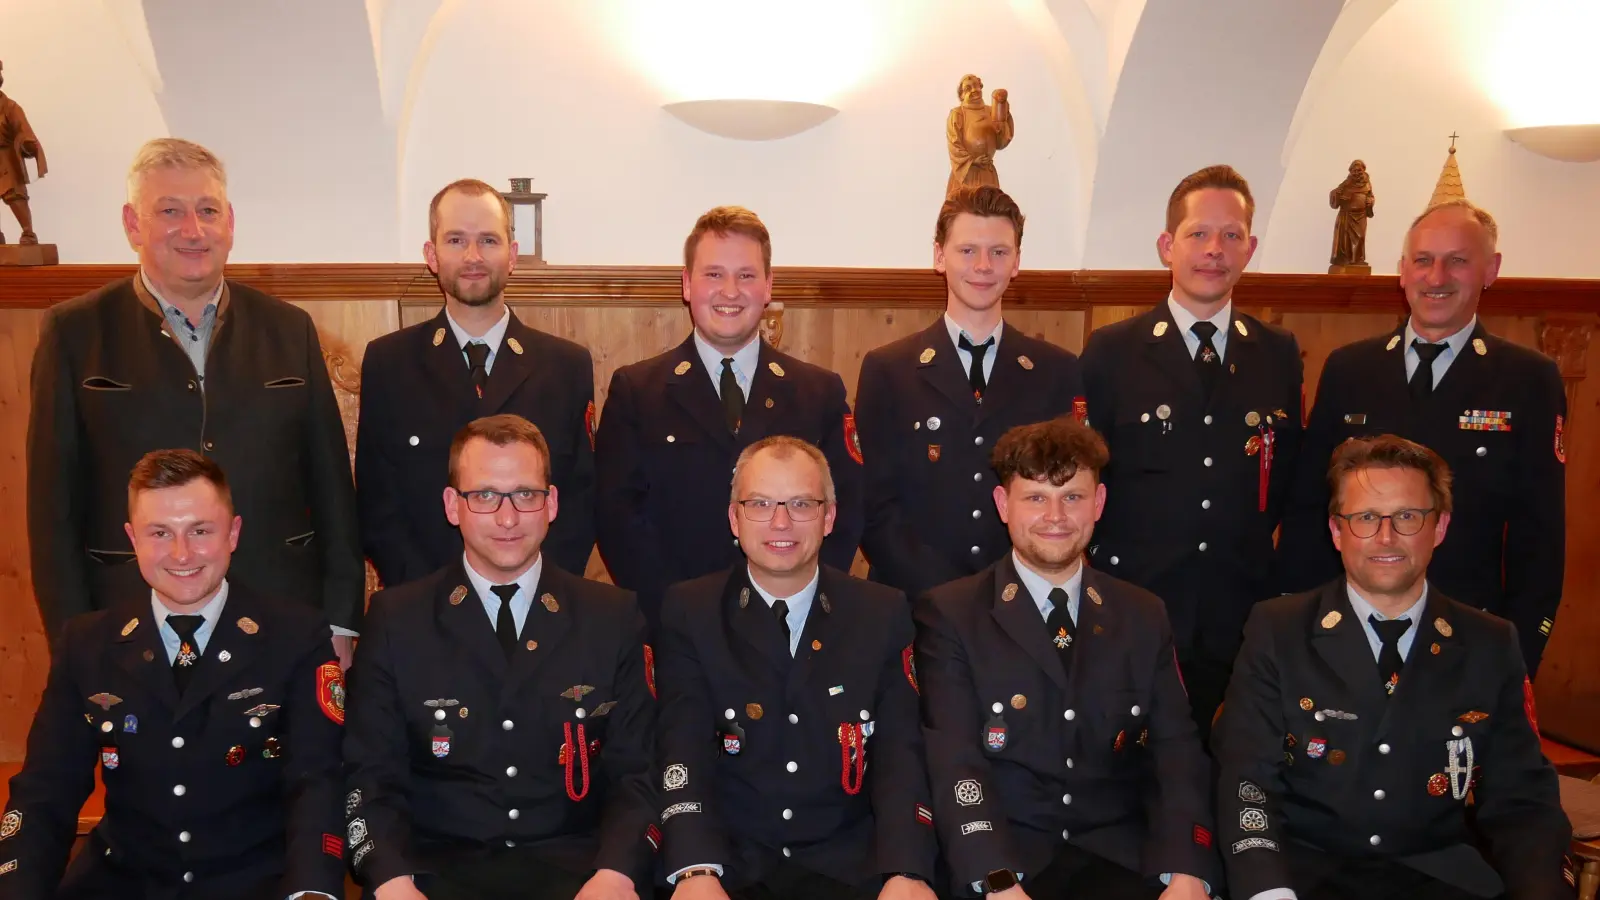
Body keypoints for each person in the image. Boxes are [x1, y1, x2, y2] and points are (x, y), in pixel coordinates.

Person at [25, 137, 363, 662]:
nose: (193, 230)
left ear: (229, 222)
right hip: (125, 619)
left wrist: (343, 616)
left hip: (280, 611)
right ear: (132, 225)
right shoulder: (75, 334)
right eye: (170, 211)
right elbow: (53, 509)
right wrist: (71, 638)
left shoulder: (288, 330)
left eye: (207, 210)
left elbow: (333, 490)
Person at [1215, 435, 1573, 900]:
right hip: (1304, 873)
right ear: (1337, 531)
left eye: (1407, 517)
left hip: (1437, 875)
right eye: (1365, 517)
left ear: (1440, 527)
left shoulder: (1490, 642)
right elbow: (1248, 781)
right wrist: (1268, 891)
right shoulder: (1278, 631)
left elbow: (1523, 801)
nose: (1385, 537)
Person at [0, 449, 346, 899]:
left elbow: (317, 783)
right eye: (160, 533)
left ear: (233, 533)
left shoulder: (296, 637)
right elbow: (45, 794)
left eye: (200, 531)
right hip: (122, 883)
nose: (182, 554)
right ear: (132, 538)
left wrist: (312, 892)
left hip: (253, 885)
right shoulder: (88, 644)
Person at [343, 415, 655, 900]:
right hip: (433, 875)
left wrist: (617, 873)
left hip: (580, 875)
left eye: (525, 495)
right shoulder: (396, 619)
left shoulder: (611, 617)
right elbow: (370, 774)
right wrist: (389, 878)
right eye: (485, 496)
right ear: (453, 506)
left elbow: (637, 773)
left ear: (551, 504)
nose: (507, 518)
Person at [915, 417, 1215, 899]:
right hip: (1006, 861)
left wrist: (1186, 871)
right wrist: (996, 879)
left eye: (1072, 497)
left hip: (1120, 856)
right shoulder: (951, 613)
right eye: (1035, 497)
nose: (1055, 515)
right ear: (1002, 506)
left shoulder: (1143, 613)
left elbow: (1175, 753)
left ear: (1098, 504)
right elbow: (956, 763)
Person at [1277, 199, 1567, 676]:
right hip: (1348, 627)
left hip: (1465, 633)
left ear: (1490, 270)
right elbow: (1311, 507)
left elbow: (1540, 535)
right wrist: (1296, 618)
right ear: (1402, 271)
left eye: (1458, 260)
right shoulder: (1350, 368)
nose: (1437, 277)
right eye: (1423, 260)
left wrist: (1520, 650)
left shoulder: (1527, 379)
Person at [655, 436, 936, 900]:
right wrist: (694, 867)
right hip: (729, 864)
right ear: (734, 518)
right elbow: (682, 746)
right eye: (760, 504)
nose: (780, 522)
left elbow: (899, 754)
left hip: (847, 865)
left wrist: (906, 869)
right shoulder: (691, 610)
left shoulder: (881, 611)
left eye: (801, 504)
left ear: (829, 518)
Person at [1080, 164, 1303, 739]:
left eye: (1231, 236)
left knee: (1227, 762)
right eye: (1198, 234)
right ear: (1166, 246)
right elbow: (1090, 481)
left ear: (1250, 249)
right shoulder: (1112, 351)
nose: (1214, 250)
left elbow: (1289, 481)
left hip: (1240, 605)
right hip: (1137, 601)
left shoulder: (1278, 353)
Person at [595, 206, 863, 629]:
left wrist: (800, 603)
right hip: (677, 628)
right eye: (714, 274)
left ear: (768, 285)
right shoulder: (637, 392)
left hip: (793, 623)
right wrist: (677, 613)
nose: (730, 291)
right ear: (687, 284)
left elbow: (844, 512)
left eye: (746, 275)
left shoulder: (818, 392)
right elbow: (618, 520)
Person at [357, 178, 597, 585]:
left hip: (538, 604)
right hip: (424, 607)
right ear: (431, 255)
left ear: (512, 255)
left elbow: (580, 501)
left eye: (488, 240)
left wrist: (535, 588)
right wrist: (429, 597)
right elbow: (378, 504)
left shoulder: (565, 366)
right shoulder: (390, 363)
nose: (472, 256)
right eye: (455, 240)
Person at [855, 185, 1085, 601]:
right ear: (939, 256)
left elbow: (1066, 498)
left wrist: (1009, 591)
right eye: (967, 251)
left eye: (998, 252)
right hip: (914, 601)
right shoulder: (888, 369)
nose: (982, 265)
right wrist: (949, 596)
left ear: (1016, 262)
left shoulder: (1057, 371)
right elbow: (875, 506)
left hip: (1022, 601)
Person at [0, 59, 46, 245]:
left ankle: (28, 233)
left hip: (5, 158)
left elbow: (22, 130)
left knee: (15, 194)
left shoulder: (10, 107)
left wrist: (27, 143)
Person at [946, 74, 1014, 197]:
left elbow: (1001, 142)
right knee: (966, 209)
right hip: (967, 174)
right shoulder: (958, 114)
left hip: (987, 173)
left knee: (989, 211)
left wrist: (1003, 115)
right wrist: (972, 161)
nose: (973, 90)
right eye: (968, 88)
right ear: (961, 95)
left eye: (976, 86)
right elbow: (954, 144)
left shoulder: (991, 111)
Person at [1328, 159, 1375, 269]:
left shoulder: (1367, 183)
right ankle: (1346, 260)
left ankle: (1357, 259)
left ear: (1363, 170)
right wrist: (1337, 194)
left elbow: (1370, 196)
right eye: (1354, 170)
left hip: (1361, 216)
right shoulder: (1346, 183)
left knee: (1360, 237)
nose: (1357, 172)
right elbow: (1336, 194)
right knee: (1346, 241)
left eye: (1359, 170)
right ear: (1350, 171)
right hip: (1347, 215)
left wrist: (1371, 201)